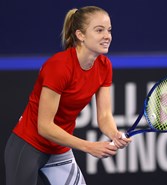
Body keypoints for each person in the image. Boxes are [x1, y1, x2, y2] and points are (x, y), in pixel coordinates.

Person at [4, 6, 131, 185]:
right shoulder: (59, 66)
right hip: (28, 144)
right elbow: (45, 126)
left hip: (59, 148)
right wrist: (89, 146)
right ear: (80, 35)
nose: (107, 36)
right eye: (99, 30)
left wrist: (114, 134)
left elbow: (104, 115)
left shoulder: (104, 66)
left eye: (109, 30)